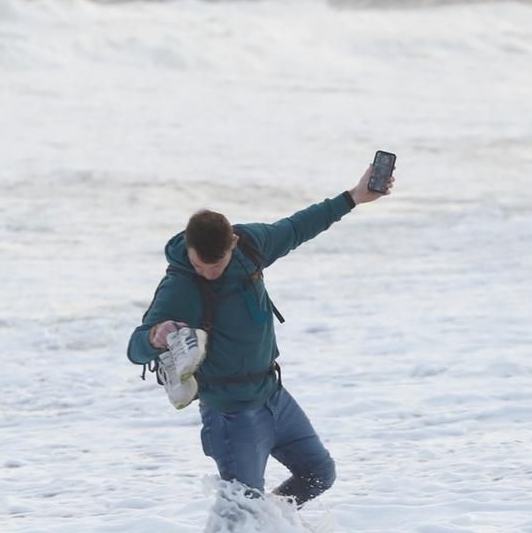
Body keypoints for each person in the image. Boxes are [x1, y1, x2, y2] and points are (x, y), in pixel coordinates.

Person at [127, 162, 395, 505]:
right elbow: (134, 349)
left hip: (273, 395)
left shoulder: (252, 246)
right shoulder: (180, 286)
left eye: (216, 265)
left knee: (317, 474)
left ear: (233, 243)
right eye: (198, 265)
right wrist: (154, 337)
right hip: (230, 415)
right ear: (188, 249)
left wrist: (354, 197)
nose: (207, 273)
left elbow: (298, 226)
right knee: (243, 508)